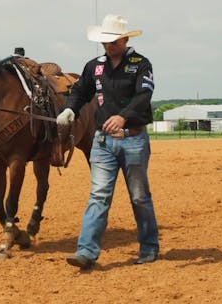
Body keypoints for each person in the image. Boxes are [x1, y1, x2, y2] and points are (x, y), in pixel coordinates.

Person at [56, 14, 159, 270]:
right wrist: (71, 109)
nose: (107, 45)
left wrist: (123, 117)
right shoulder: (94, 66)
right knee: (99, 195)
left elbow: (144, 96)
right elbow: (80, 91)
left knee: (138, 197)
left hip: (133, 140)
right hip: (102, 143)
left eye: (112, 41)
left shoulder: (141, 64)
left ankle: (148, 247)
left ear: (124, 39)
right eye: (104, 41)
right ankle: (86, 252)